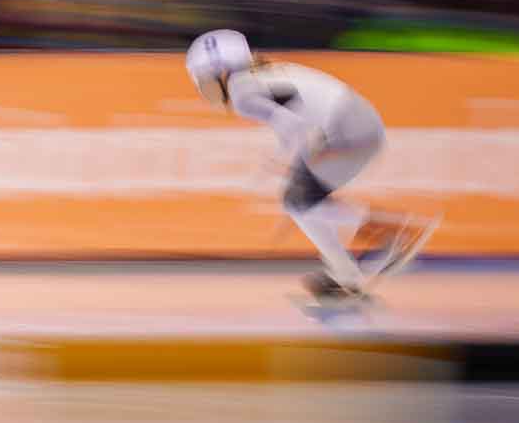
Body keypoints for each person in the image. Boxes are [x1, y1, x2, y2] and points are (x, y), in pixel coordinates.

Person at [184, 29, 434, 303]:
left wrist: (284, 160)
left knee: (301, 202)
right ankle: (346, 274)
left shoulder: (241, 94)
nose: (202, 89)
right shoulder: (254, 76)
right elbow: (295, 121)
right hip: (355, 121)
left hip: (348, 129)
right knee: (299, 201)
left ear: (221, 70)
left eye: (203, 79)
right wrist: (291, 159)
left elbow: (294, 126)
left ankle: (395, 235)